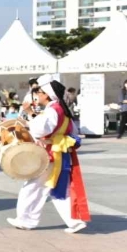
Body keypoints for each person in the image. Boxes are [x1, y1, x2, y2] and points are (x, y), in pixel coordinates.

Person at [8, 76, 90, 233]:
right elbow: (72, 131)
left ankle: (25, 220)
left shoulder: (52, 110)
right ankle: (75, 221)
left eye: (39, 91)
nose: (37, 94)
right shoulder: (63, 110)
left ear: (46, 94)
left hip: (50, 154)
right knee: (58, 189)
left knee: (32, 187)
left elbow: (40, 130)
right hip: (60, 154)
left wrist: (29, 120)